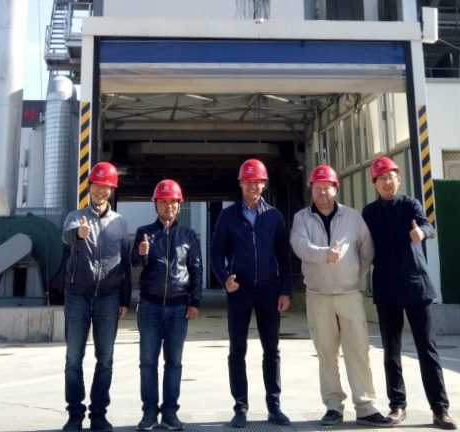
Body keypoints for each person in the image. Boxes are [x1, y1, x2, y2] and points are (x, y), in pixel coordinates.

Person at [289, 165, 394, 428]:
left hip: (349, 295)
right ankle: (333, 406)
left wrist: (354, 273)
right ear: (311, 189)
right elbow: (299, 246)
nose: (322, 192)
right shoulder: (302, 218)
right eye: (318, 188)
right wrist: (324, 254)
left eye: (327, 187)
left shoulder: (353, 217)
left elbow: (367, 250)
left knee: (358, 350)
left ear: (336, 188)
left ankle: (365, 406)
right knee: (326, 353)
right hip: (318, 295)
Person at [361, 156, 457, 430]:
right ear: (375, 183)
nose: (386, 182)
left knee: (427, 350)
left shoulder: (410, 205)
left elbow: (428, 225)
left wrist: (421, 234)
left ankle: (440, 410)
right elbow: (360, 242)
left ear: (398, 179)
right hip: (386, 288)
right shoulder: (369, 213)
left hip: (416, 286)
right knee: (391, 351)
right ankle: (397, 406)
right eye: (381, 178)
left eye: (390, 177)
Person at [210, 158, 293, 428]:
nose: (252, 186)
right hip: (240, 292)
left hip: (269, 291)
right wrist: (225, 279)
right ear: (241, 184)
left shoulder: (274, 216)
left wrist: (285, 290)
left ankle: (274, 407)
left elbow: (284, 256)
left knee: (272, 350)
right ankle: (240, 408)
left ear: (264, 184)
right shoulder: (228, 216)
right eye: (248, 181)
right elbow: (216, 253)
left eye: (257, 181)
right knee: (237, 350)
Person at [61, 161, 132, 432]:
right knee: (73, 359)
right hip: (77, 296)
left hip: (108, 298)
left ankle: (99, 414)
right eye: (98, 185)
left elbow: (126, 263)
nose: (102, 191)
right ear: (89, 186)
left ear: (112, 190)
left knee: (105, 360)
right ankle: (75, 415)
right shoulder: (76, 217)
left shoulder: (119, 223)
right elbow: (66, 236)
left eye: (107, 186)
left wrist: (124, 299)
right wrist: (77, 234)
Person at [131, 179, 203, 431]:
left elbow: (196, 269)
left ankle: (170, 414)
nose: (168, 206)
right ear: (156, 204)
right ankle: (149, 413)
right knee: (148, 362)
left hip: (178, 307)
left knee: (174, 363)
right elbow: (135, 264)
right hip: (149, 306)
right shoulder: (144, 232)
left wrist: (194, 302)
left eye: (173, 201)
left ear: (179, 204)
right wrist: (141, 252)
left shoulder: (188, 236)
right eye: (163, 201)